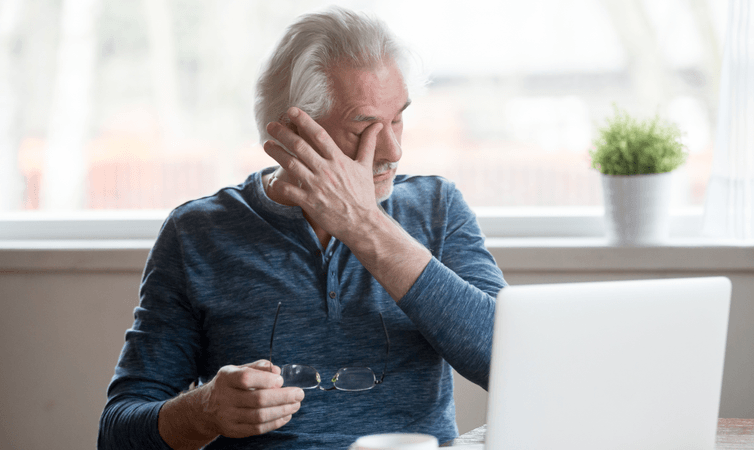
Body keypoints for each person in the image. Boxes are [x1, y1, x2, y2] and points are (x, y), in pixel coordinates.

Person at [98, 6, 506, 450]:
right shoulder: (197, 233)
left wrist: (365, 225)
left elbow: (510, 364)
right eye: (365, 127)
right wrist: (205, 409)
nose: (393, 149)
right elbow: (118, 432)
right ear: (295, 133)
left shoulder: (438, 209)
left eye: (398, 118)